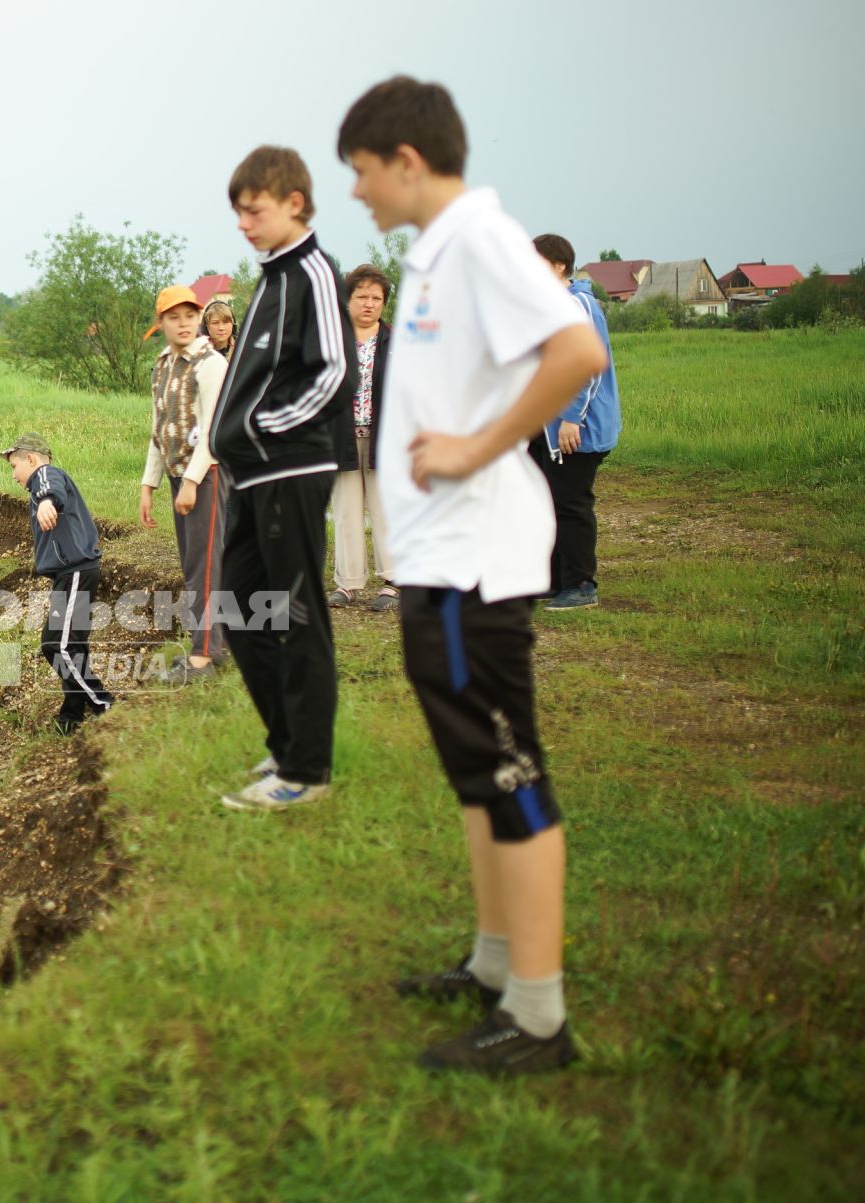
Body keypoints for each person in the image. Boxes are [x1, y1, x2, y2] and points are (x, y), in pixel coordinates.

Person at [340, 75, 609, 1074]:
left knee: (510, 770)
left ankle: (537, 1014)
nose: (360, 194)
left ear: (406, 161)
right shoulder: (439, 254)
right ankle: (497, 960)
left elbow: (576, 348)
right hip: (440, 565)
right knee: (474, 769)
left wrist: (478, 446)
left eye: (363, 174)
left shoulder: (485, 241)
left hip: (477, 568)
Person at [208, 145, 353, 811]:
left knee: (295, 614)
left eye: (254, 209)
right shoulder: (268, 278)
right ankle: (285, 742)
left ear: (295, 203)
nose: (244, 222)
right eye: (238, 211)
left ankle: (306, 769)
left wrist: (264, 430)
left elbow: (333, 373)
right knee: (238, 607)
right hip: (250, 480)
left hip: (291, 470)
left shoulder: (314, 273)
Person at [139, 285, 229, 684]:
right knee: (194, 563)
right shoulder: (162, 364)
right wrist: (149, 483)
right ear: (161, 323)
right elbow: (159, 428)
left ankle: (203, 659)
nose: (183, 324)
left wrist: (192, 481)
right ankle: (212, 646)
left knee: (203, 566)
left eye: (190, 316)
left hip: (206, 475)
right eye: (174, 317)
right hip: (179, 476)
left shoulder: (210, 364)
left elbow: (213, 430)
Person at [529, 234, 621, 611]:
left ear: (559, 265)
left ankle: (582, 584)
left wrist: (570, 419)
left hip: (576, 427)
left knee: (571, 503)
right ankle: (555, 580)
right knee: (547, 501)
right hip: (546, 425)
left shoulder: (578, 304)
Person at [0, 432, 113, 734]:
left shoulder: (45, 476)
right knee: (71, 645)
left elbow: (51, 487)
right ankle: (72, 714)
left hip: (76, 571)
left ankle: (103, 703)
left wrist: (47, 501)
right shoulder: (38, 487)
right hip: (70, 574)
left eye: (14, 466)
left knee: (56, 645)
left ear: (32, 459)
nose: (13, 475)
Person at [329, 263, 399, 611]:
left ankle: (393, 580)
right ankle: (349, 582)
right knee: (346, 510)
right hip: (341, 436)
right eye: (361, 297)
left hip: (384, 437)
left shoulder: (396, 341)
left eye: (376, 298)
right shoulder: (331, 342)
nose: (368, 304)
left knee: (385, 508)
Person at [202, 295, 237, 361]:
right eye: (215, 323)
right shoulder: (198, 355)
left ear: (233, 324)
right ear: (207, 325)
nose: (221, 328)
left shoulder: (241, 351)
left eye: (226, 322)